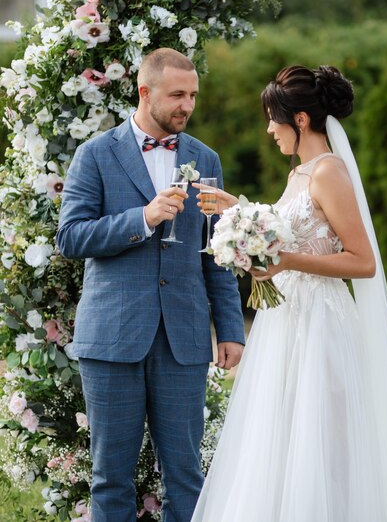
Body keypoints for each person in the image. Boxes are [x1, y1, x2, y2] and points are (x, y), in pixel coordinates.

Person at [191, 65, 387, 521]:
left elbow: (362, 261)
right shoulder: (299, 174)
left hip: (321, 322)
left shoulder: (329, 171)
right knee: (279, 435)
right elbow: (288, 233)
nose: (268, 129)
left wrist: (288, 262)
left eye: (273, 118)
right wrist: (243, 217)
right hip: (284, 321)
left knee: (321, 438)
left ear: (298, 120)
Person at [56, 48, 245, 522]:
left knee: (186, 474)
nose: (187, 105)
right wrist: (142, 218)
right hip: (112, 339)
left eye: (194, 96)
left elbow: (217, 253)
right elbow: (71, 237)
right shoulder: (95, 154)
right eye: (177, 95)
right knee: (110, 478)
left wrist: (229, 329)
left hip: (182, 341)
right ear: (145, 92)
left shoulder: (205, 158)